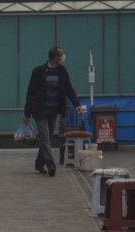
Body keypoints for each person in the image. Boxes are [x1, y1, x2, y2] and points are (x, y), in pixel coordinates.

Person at [23, 46, 83, 177]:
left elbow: (69, 89)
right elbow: (31, 92)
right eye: (61, 55)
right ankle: (51, 165)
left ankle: (39, 164)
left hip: (54, 110)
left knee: (47, 138)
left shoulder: (62, 72)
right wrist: (26, 113)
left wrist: (76, 104)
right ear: (55, 57)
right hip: (40, 110)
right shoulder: (39, 71)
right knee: (45, 137)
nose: (63, 57)